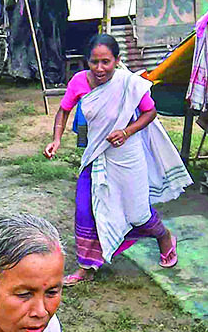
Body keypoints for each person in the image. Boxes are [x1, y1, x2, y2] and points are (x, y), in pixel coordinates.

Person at [41, 34, 189, 286]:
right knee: (86, 209)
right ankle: (86, 266)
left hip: (127, 155)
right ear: (87, 61)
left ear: (117, 61)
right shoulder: (79, 82)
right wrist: (56, 139)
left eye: (106, 62)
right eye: (94, 62)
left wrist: (126, 131)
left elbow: (150, 111)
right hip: (96, 154)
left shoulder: (128, 83)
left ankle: (164, 237)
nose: (100, 68)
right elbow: (64, 110)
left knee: (136, 211)